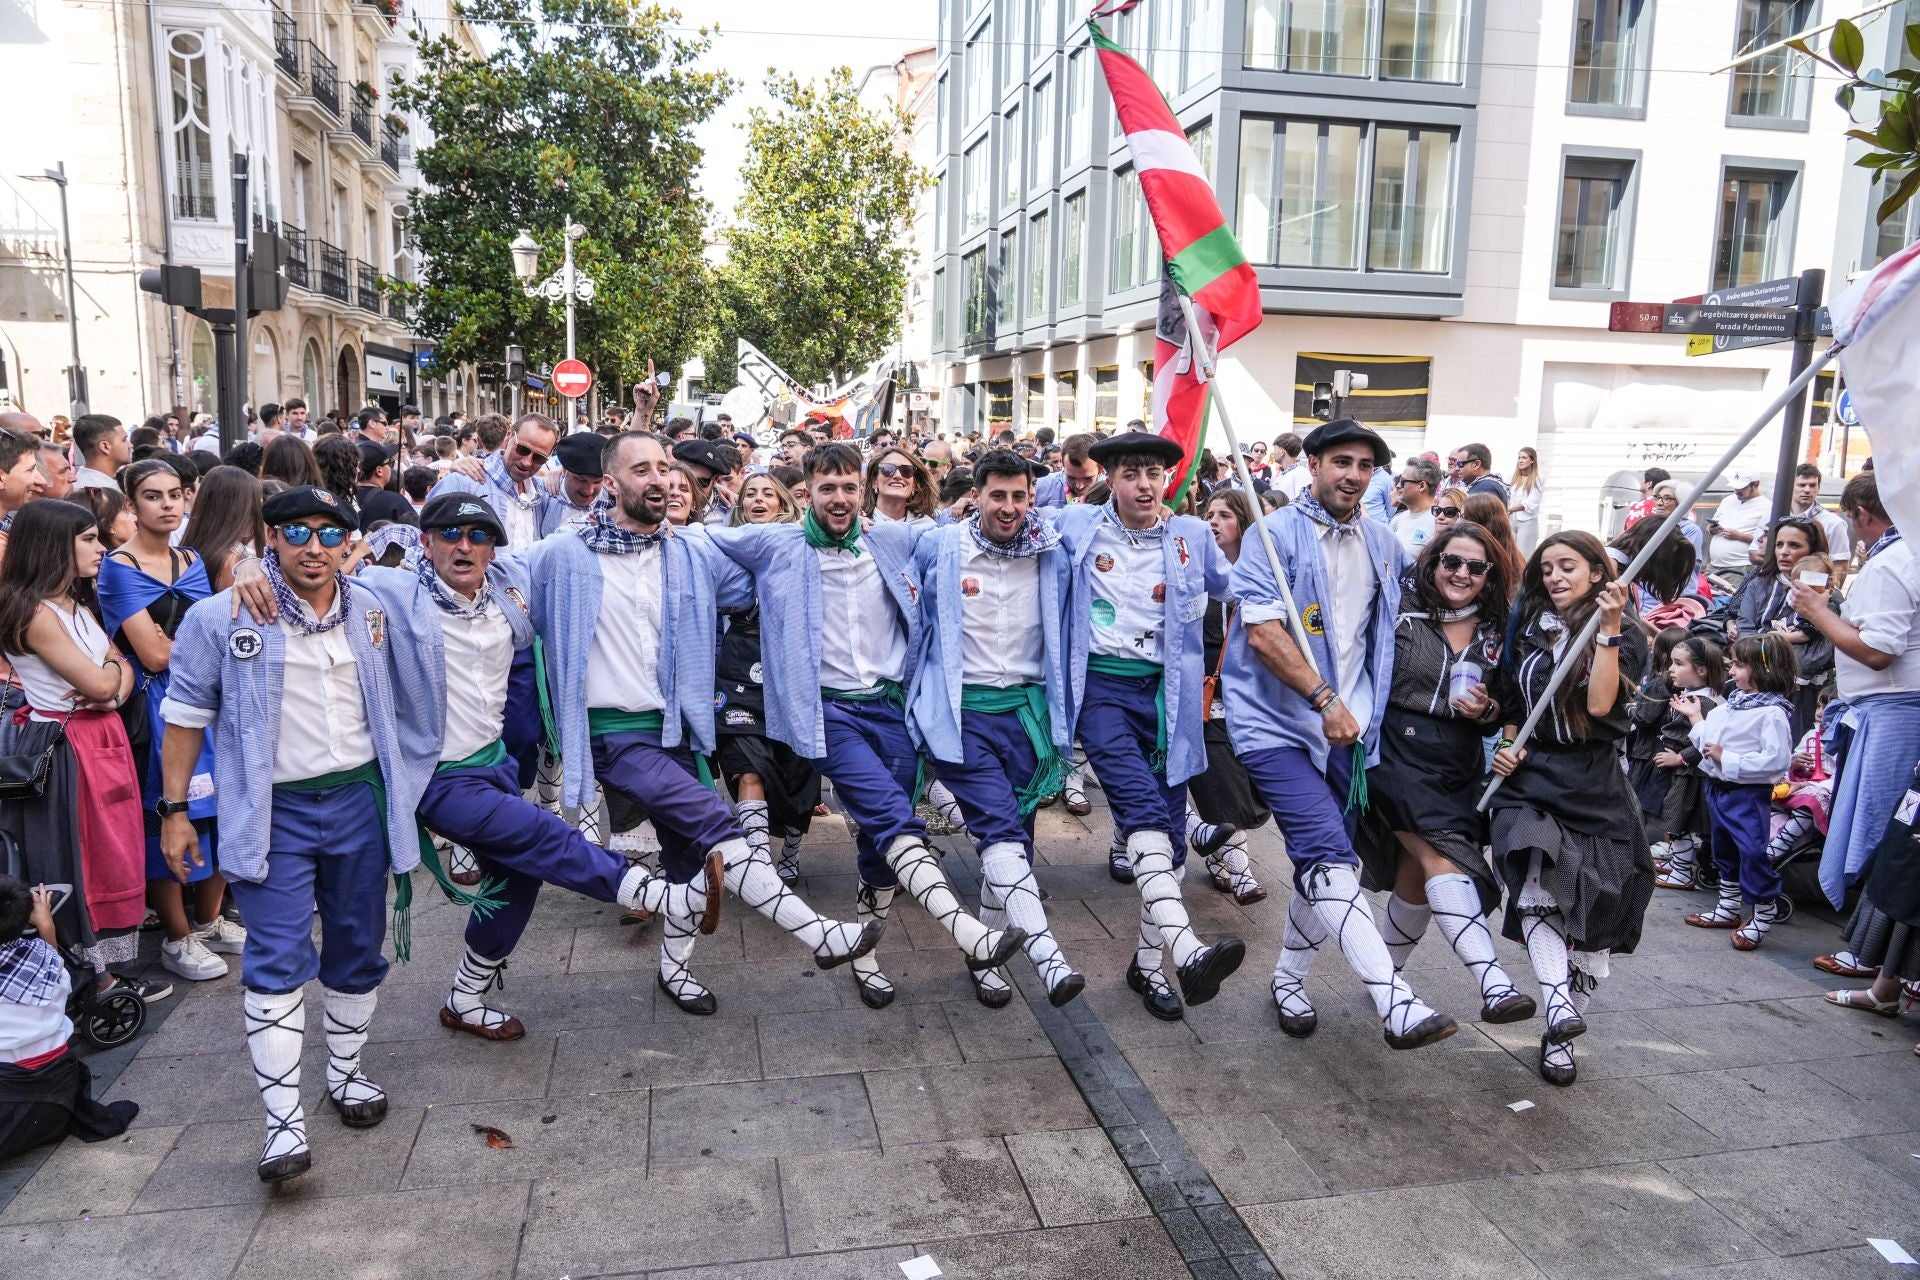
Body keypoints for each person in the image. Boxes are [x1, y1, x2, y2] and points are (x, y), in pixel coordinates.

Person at [525, 433, 878, 1016]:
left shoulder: (692, 549)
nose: (661, 479)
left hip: (680, 730)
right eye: (643, 470)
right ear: (611, 483)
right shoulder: (565, 551)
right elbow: (500, 582)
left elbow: (767, 567)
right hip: (614, 733)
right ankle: (817, 932)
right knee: (719, 823)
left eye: (666, 468)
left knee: (690, 861)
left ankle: (675, 972)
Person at [158, 485, 439, 1183]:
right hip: (271, 812)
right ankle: (282, 1123)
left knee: (355, 944)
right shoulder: (219, 617)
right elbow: (186, 718)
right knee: (277, 957)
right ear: (270, 536)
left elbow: (445, 588)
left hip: (358, 802)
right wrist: (173, 813)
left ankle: (346, 1074)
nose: (314, 546)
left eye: (328, 532)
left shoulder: (372, 606)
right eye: (296, 531)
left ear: (348, 539)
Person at [359, 493, 702, 1039]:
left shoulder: (509, 587)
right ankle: (664, 895)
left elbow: (578, 545)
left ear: (495, 547)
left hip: (493, 763)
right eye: (449, 533)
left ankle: (465, 998)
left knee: (516, 876)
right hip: (435, 776)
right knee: (543, 834)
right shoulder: (391, 593)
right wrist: (256, 566)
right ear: (426, 541)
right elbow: (323, 581)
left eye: (479, 535)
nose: (464, 546)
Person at [707, 444, 1023, 1010]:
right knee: (890, 814)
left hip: (889, 707)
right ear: (806, 489)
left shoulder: (890, 539)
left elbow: (963, 539)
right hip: (828, 713)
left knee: (883, 843)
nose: (840, 499)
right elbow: (694, 542)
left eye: (850, 487)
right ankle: (969, 934)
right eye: (828, 488)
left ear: (864, 490)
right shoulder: (775, 542)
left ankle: (866, 952)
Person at [1223, 419, 1455, 1050]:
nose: (1353, 475)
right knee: (1328, 853)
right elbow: (1263, 633)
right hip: (1275, 726)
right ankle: (1395, 1001)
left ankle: (1289, 980)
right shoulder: (1271, 537)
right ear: (1315, 463)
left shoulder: (1383, 541)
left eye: (1365, 466)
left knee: (1330, 864)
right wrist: (1324, 698)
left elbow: (1424, 617)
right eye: (1341, 461)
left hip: (1352, 735)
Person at [1054, 433, 1248, 1021]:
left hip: (1169, 699)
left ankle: (1148, 965)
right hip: (1102, 693)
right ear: (1108, 477)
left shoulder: (1190, 535)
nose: (1145, 484)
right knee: (1138, 807)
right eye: (1132, 473)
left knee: (1163, 832)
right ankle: (1188, 950)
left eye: (1155, 474)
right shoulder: (1074, 526)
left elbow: (1233, 588)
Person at [904, 450, 1085, 1008]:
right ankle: (1049, 959)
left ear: (1033, 496)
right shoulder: (938, 544)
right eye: (998, 495)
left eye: (1019, 496)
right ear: (976, 495)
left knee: (1015, 840)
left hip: (1028, 719)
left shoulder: (1054, 548)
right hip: (962, 717)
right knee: (998, 828)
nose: (1009, 508)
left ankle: (986, 953)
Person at [1488, 532, 1649, 1087]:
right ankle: (1557, 1005)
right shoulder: (1529, 626)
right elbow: (1512, 699)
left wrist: (1607, 631)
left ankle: (1560, 1038)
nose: (1555, 577)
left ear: (1597, 573)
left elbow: (1600, 704)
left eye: (1568, 567)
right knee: (1534, 870)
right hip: (1530, 778)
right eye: (1548, 568)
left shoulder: (1624, 632)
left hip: (1592, 781)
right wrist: (1506, 747)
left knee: (1584, 904)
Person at [1358, 523, 1534, 1025]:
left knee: (1418, 871)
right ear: (1433, 562)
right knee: (1444, 857)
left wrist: (1486, 710)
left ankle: (1385, 981)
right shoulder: (1397, 608)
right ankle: (1493, 982)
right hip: (1392, 748)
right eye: (1451, 562)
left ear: (1489, 575)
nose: (1462, 574)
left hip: (1456, 759)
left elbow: (1508, 704)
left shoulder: (1497, 629)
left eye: (1476, 568)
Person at [0, 500, 154, 1001]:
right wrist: (114, 680)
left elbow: (118, 670)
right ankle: (90, 973)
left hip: (99, 736)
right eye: (88, 539)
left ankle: (102, 968)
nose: (101, 547)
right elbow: (102, 675)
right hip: (67, 746)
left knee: (111, 854)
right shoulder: (32, 611)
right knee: (78, 858)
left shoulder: (75, 604)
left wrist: (114, 682)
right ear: (53, 545)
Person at [96, 460, 242, 983]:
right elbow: (154, 656)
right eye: (153, 496)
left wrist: (190, 648)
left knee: (222, 807)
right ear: (131, 506)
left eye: (176, 494)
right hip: (158, 707)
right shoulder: (117, 566)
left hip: (207, 698)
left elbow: (215, 632)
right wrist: (194, 649)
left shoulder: (190, 558)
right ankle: (177, 938)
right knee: (169, 810)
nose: (168, 504)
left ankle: (208, 920)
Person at [1791, 473, 1920, 912]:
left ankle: (1876, 944)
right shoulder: (1902, 555)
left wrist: (1816, 612)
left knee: (1879, 825)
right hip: (1888, 708)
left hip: (1893, 712)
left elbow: (1880, 651)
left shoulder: (1892, 561)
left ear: (1862, 515)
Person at [714, 473, 820, 882]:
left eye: (767, 494)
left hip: (792, 663)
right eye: (749, 495)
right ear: (740, 506)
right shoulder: (724, 544)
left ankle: (790, 855)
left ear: (783, 503)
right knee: (747, 764)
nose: (758, 500)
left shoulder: (801, 541)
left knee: (799, 768)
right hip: (740, 662)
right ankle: (760, 868)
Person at [0, 878, 139, 1160]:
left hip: (9, 1107)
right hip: (59, 1102)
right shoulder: (46, 962)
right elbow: (52, 958)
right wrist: (46, 926)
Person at [1675, 633, 1797, 949]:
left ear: (1763, 669)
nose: (1732, 672)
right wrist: (1696, 720)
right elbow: (1710, 742)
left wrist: (1726, 757)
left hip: (1746, 795)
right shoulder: (1734, 704)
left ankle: (1764, 911)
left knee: (1752, 853)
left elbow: (1776, 761)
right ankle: (1728, 907)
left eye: (1740, 665)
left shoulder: (1772, 713)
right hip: (1719, 789)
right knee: (1724, 850)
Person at [1185, 490, 1270, 904]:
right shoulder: (1196, 570)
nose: (1213, 521)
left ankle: (1222, 858)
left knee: (1240, 783)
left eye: (1225, 515)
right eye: (1209, 514)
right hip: (1203, 692)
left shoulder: (1262, 575)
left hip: (1250, 698)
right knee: (1222, 782)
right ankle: (1239, 871)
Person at [1727, 517, 1835, 735]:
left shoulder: (1828, 596)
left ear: (1811, 551)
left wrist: (1775, 653)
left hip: (1800, 688)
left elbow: (1821, 650)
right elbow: (1745, 631)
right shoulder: (1758, 584)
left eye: (1794, 545)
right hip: (1754, 682)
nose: (1783, 552)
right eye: (1779, 544)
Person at [1643, 636, 1726, 892]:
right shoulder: (1691, 696)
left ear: (1701, 670)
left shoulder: (1706, 703)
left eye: (1679, 664)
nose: (1671, 669)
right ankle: (1680, 864)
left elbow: (1707, 741)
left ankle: (1681, 871)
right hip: (1680, 773)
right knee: (1676, 821)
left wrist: (1680, 757)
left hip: (1689, 774)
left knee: (1678, 821)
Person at [431, 413, 567, 546]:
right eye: (522, 449)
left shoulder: (543, 492)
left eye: (539, 458)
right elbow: (429, 538)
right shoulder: (464, 480)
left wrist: (566, 469)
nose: (527, 462)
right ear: (508, 435)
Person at [1706, 472, 1769, 583]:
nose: (1736, 491)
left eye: (1741, 487)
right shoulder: (1727, 500)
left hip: (1740, 567)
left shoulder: (1767, 506)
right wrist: (1711, 529)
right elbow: (1712, 525)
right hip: (1713, 566)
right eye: (1735, 486)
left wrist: (1739, 536)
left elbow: (1767, 542)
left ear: (1755, 484)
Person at [1789, 464, 1851, 563]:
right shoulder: (1772, 515)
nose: (1807, 490)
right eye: (1802, 485)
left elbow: (1840, 566)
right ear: (1790, 486)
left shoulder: (1833, 524)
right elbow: (1757, 553)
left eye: (1813, 485)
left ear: (1818, 488)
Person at [864, 446, 937, 527]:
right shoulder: (855, 524)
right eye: (888, 469)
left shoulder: (928, 527)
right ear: (874, 482)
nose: (897, 476)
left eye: (906, 471)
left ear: (914, 485)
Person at [1463, 491, 1523, 587]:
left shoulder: (1486, 566)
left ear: (1479, 524)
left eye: (1463, 517)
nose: (1457, 521)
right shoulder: (1512, 558)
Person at [354, 441, 416, 531]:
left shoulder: (344, 496)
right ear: (379, 470)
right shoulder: (394, 501)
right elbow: (416, 534)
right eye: (390, 462)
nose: (391, 467)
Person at [1389, 456, 1442, 557]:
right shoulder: (1398, 519)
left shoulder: (1439, 521)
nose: (1398, 486)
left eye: (1403, 481)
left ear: (1421, 486)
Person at [1034, 432, 1101, 508]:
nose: (1079, 486)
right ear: (1063, 463)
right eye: (1072, 477)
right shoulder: (1041, 486)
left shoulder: (1111, 494)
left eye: (1087, 478)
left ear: (1100, 468)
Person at [551, 432, 607, 522]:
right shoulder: (541, 497)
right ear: (564, 470)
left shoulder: (610, 499)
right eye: (581, 480)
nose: (589, 491)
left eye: (597, 482)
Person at [1651, 481, 1705, 571]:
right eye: (1658, 497)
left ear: (1681, 503)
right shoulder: (1651, 525)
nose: (1659, 503)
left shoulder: (1691, 530)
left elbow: (1682, 565)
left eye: (1667, 498)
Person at [70, 415, 129, 492]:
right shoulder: (97, 494)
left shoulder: (103, 484)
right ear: (105, 447)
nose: (130, 445)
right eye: (124, 440)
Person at [1508, 447, 1544, 554]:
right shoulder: (1511, 476)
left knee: (1523, 556)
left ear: (1532, 460)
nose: (1520, 460)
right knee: (1509, 555)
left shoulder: (1538, 478)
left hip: (1527, 522)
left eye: (1524, 458)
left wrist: (1508, 509)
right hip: (1510, 521)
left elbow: (1531, 503)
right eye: (1519, 457)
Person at [1269, 433, 1309, 502]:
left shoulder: (1300, 473)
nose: (1273, 452)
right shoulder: (1284, 473)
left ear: (1282, 451)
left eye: (1275, 449)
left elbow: (1304, 502)